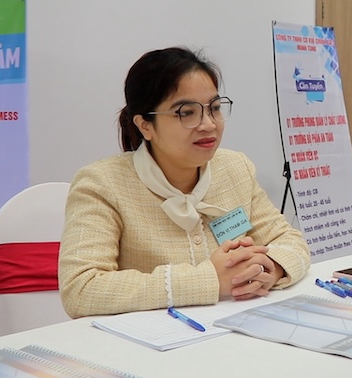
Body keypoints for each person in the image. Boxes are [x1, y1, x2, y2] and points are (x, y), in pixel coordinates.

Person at [59, 47, 311, 318]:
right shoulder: (103, 184)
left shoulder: (235, 168)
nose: (208, 124)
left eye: (214, 108)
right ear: (145, 125)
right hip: (147, 346)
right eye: (186, 112)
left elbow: (289, 241)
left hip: (236, 332)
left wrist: (269, 268)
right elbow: (81, 289)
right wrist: (210, 280)